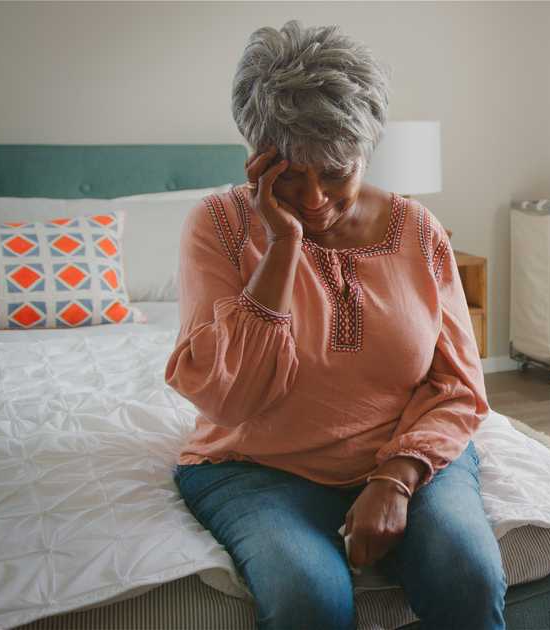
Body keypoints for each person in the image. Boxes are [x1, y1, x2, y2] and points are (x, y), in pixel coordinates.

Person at [165, 20, 505, 630]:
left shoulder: (419, 231)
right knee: (308, 600)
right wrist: (280, 247)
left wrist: (396, 479)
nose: (315, 198)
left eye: (335, 171)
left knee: (468, 575)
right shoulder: (215, 227)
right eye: (290, 175)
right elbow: (231, 398)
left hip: (402, 453)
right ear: (257, 160)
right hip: (254, 468)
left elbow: (458, 385)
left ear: (366, 151)